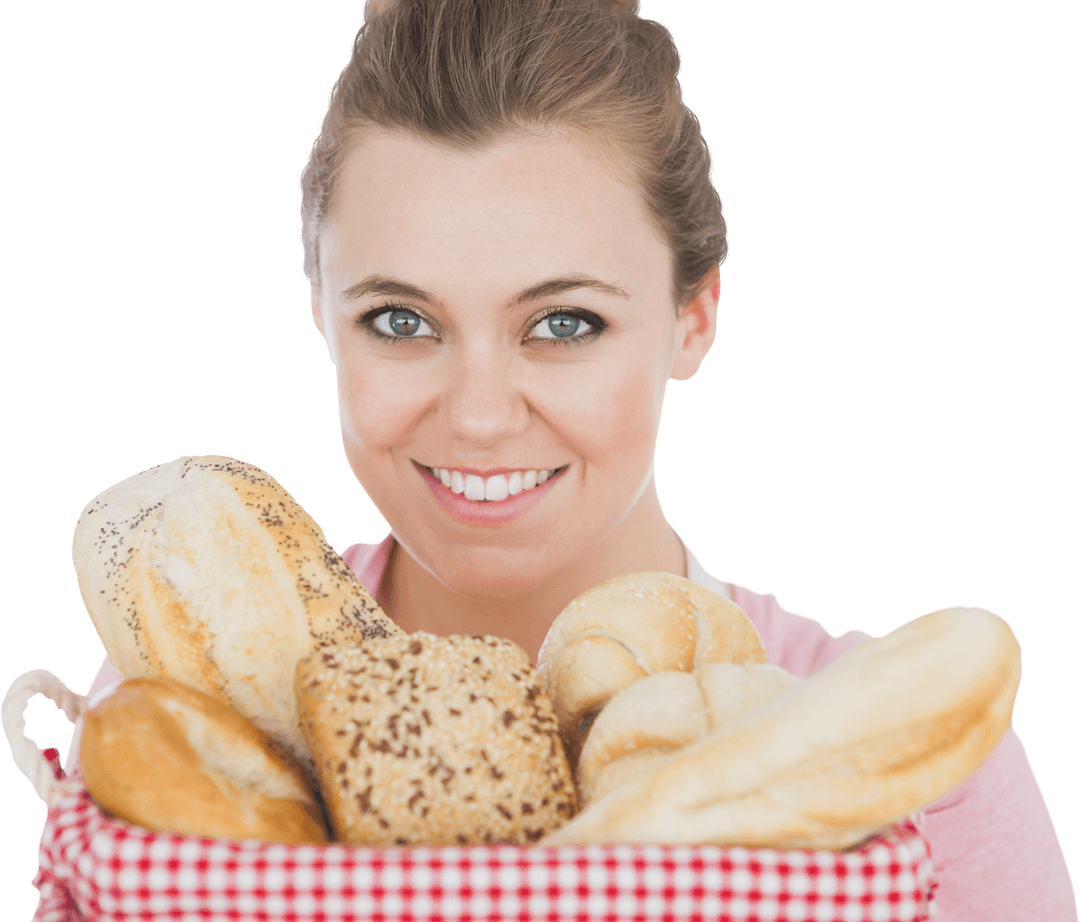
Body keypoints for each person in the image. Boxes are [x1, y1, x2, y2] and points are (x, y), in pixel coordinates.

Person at [69, 0, 1076, 916]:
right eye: (401, 320)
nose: (478, 417)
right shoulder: (177, 709)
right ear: (321, 315)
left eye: (563, 322)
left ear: (693, 317)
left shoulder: (916, 750)